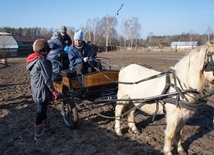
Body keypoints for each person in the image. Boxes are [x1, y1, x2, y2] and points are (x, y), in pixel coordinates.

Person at [26, 39, 58, 140]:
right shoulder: (41, 62)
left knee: (44, 108)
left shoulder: (35, 60)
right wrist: (53, 90)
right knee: (40, 110)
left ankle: (46, 126)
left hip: (38, 89)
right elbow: (47, 79)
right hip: (41, 90)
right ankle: (38, 133)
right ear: (44, 51)